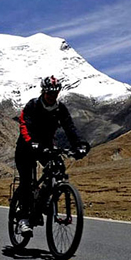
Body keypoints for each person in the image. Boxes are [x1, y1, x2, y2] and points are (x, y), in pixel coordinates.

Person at [15, 75, 89, 236]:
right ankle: (23, 219)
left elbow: (70, 128)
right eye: (49, 93)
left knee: (58, 168)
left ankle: (45, 201)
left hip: (47, 146)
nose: (52, 96)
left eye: (55, 93)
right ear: (43, 91)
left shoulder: (60, 109)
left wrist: (79, 145)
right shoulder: (33, 105)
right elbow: (24, 125)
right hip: (26, 148)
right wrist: (31, 143)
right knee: (27, 181)